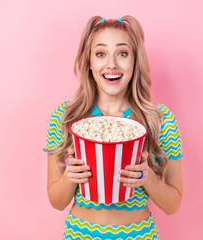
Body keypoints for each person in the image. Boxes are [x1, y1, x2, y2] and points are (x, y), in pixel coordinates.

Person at [43, 15, 183, 240]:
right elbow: (56, 201)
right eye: (100, 54)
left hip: (138, 234)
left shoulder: (160, 120)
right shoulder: (65, 117)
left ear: (135, 61)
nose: (112, 64)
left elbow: (173, 204)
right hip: (80, 234)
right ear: (88, 62)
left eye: (123, 53)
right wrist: (70, 177)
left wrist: (148, 177)